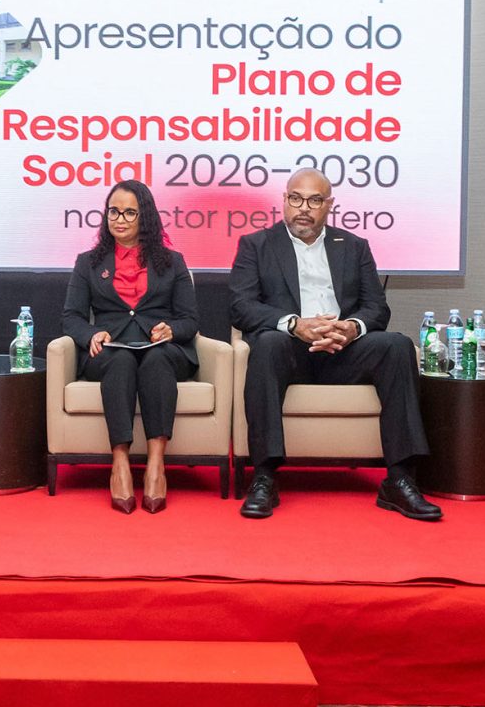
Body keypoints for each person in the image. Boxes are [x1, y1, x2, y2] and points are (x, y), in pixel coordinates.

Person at [228, 168, 440, 522]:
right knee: (266, 343)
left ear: (329, 205)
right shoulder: (257, 245)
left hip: (344, 350)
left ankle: (400, 479)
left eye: (314, 200)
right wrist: (296, 325)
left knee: (397, 346)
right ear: (284, 200)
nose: (303, 208)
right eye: (296, 198)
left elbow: (377, 308)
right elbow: (241, 306)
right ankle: (264, 477)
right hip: (289, 350)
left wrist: (352, 328)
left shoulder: (354, 246)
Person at [63, 181, 198, 514]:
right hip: (110, 349)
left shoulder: (173, 262)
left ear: (145, 217)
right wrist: (91, 335)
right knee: (121, 359)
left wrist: (171, 329)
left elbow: (189, 320)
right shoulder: (88, 263)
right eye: (113, 211)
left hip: (161, 348)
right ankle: (120, 462)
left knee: (156, 360)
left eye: (128, 213)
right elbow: (72, 317)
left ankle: (155, 464)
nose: (119, 219)